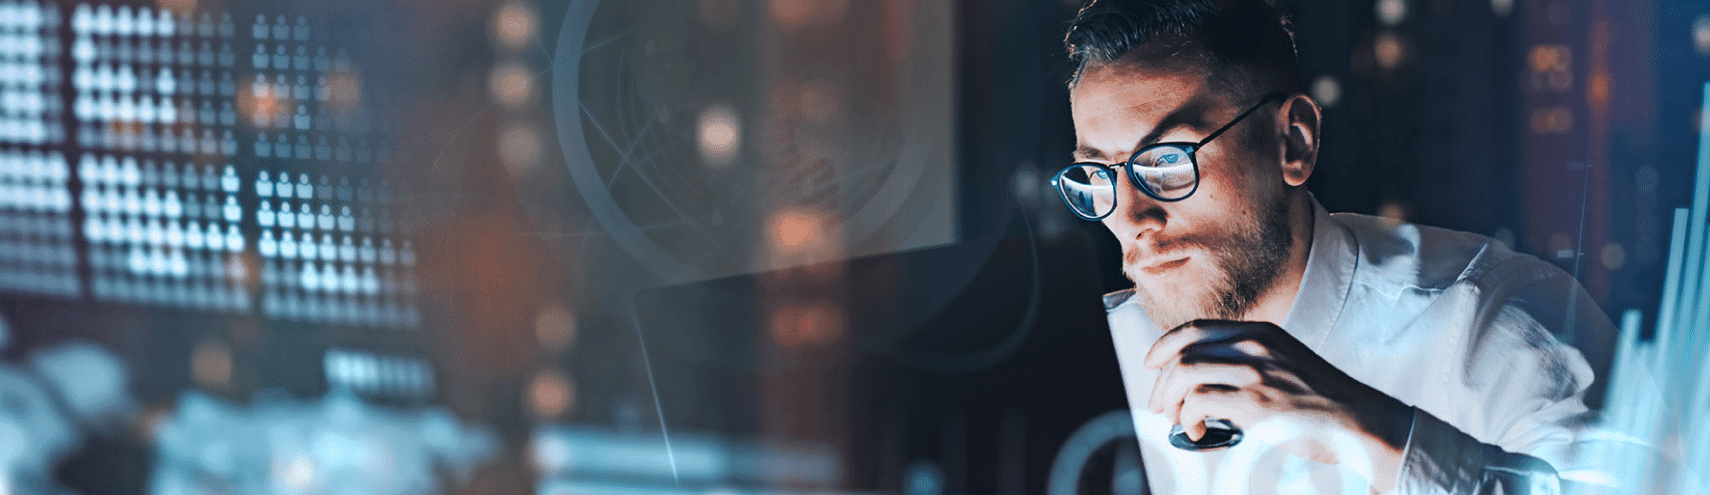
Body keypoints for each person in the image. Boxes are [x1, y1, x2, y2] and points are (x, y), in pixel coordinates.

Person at [1049, 0, 1613, 493]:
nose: (1130, 217)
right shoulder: (1083, 366)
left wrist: (1366, 429)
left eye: (1168, 162)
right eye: (1097, 176)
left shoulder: (1493, 322)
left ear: (1293, 142)